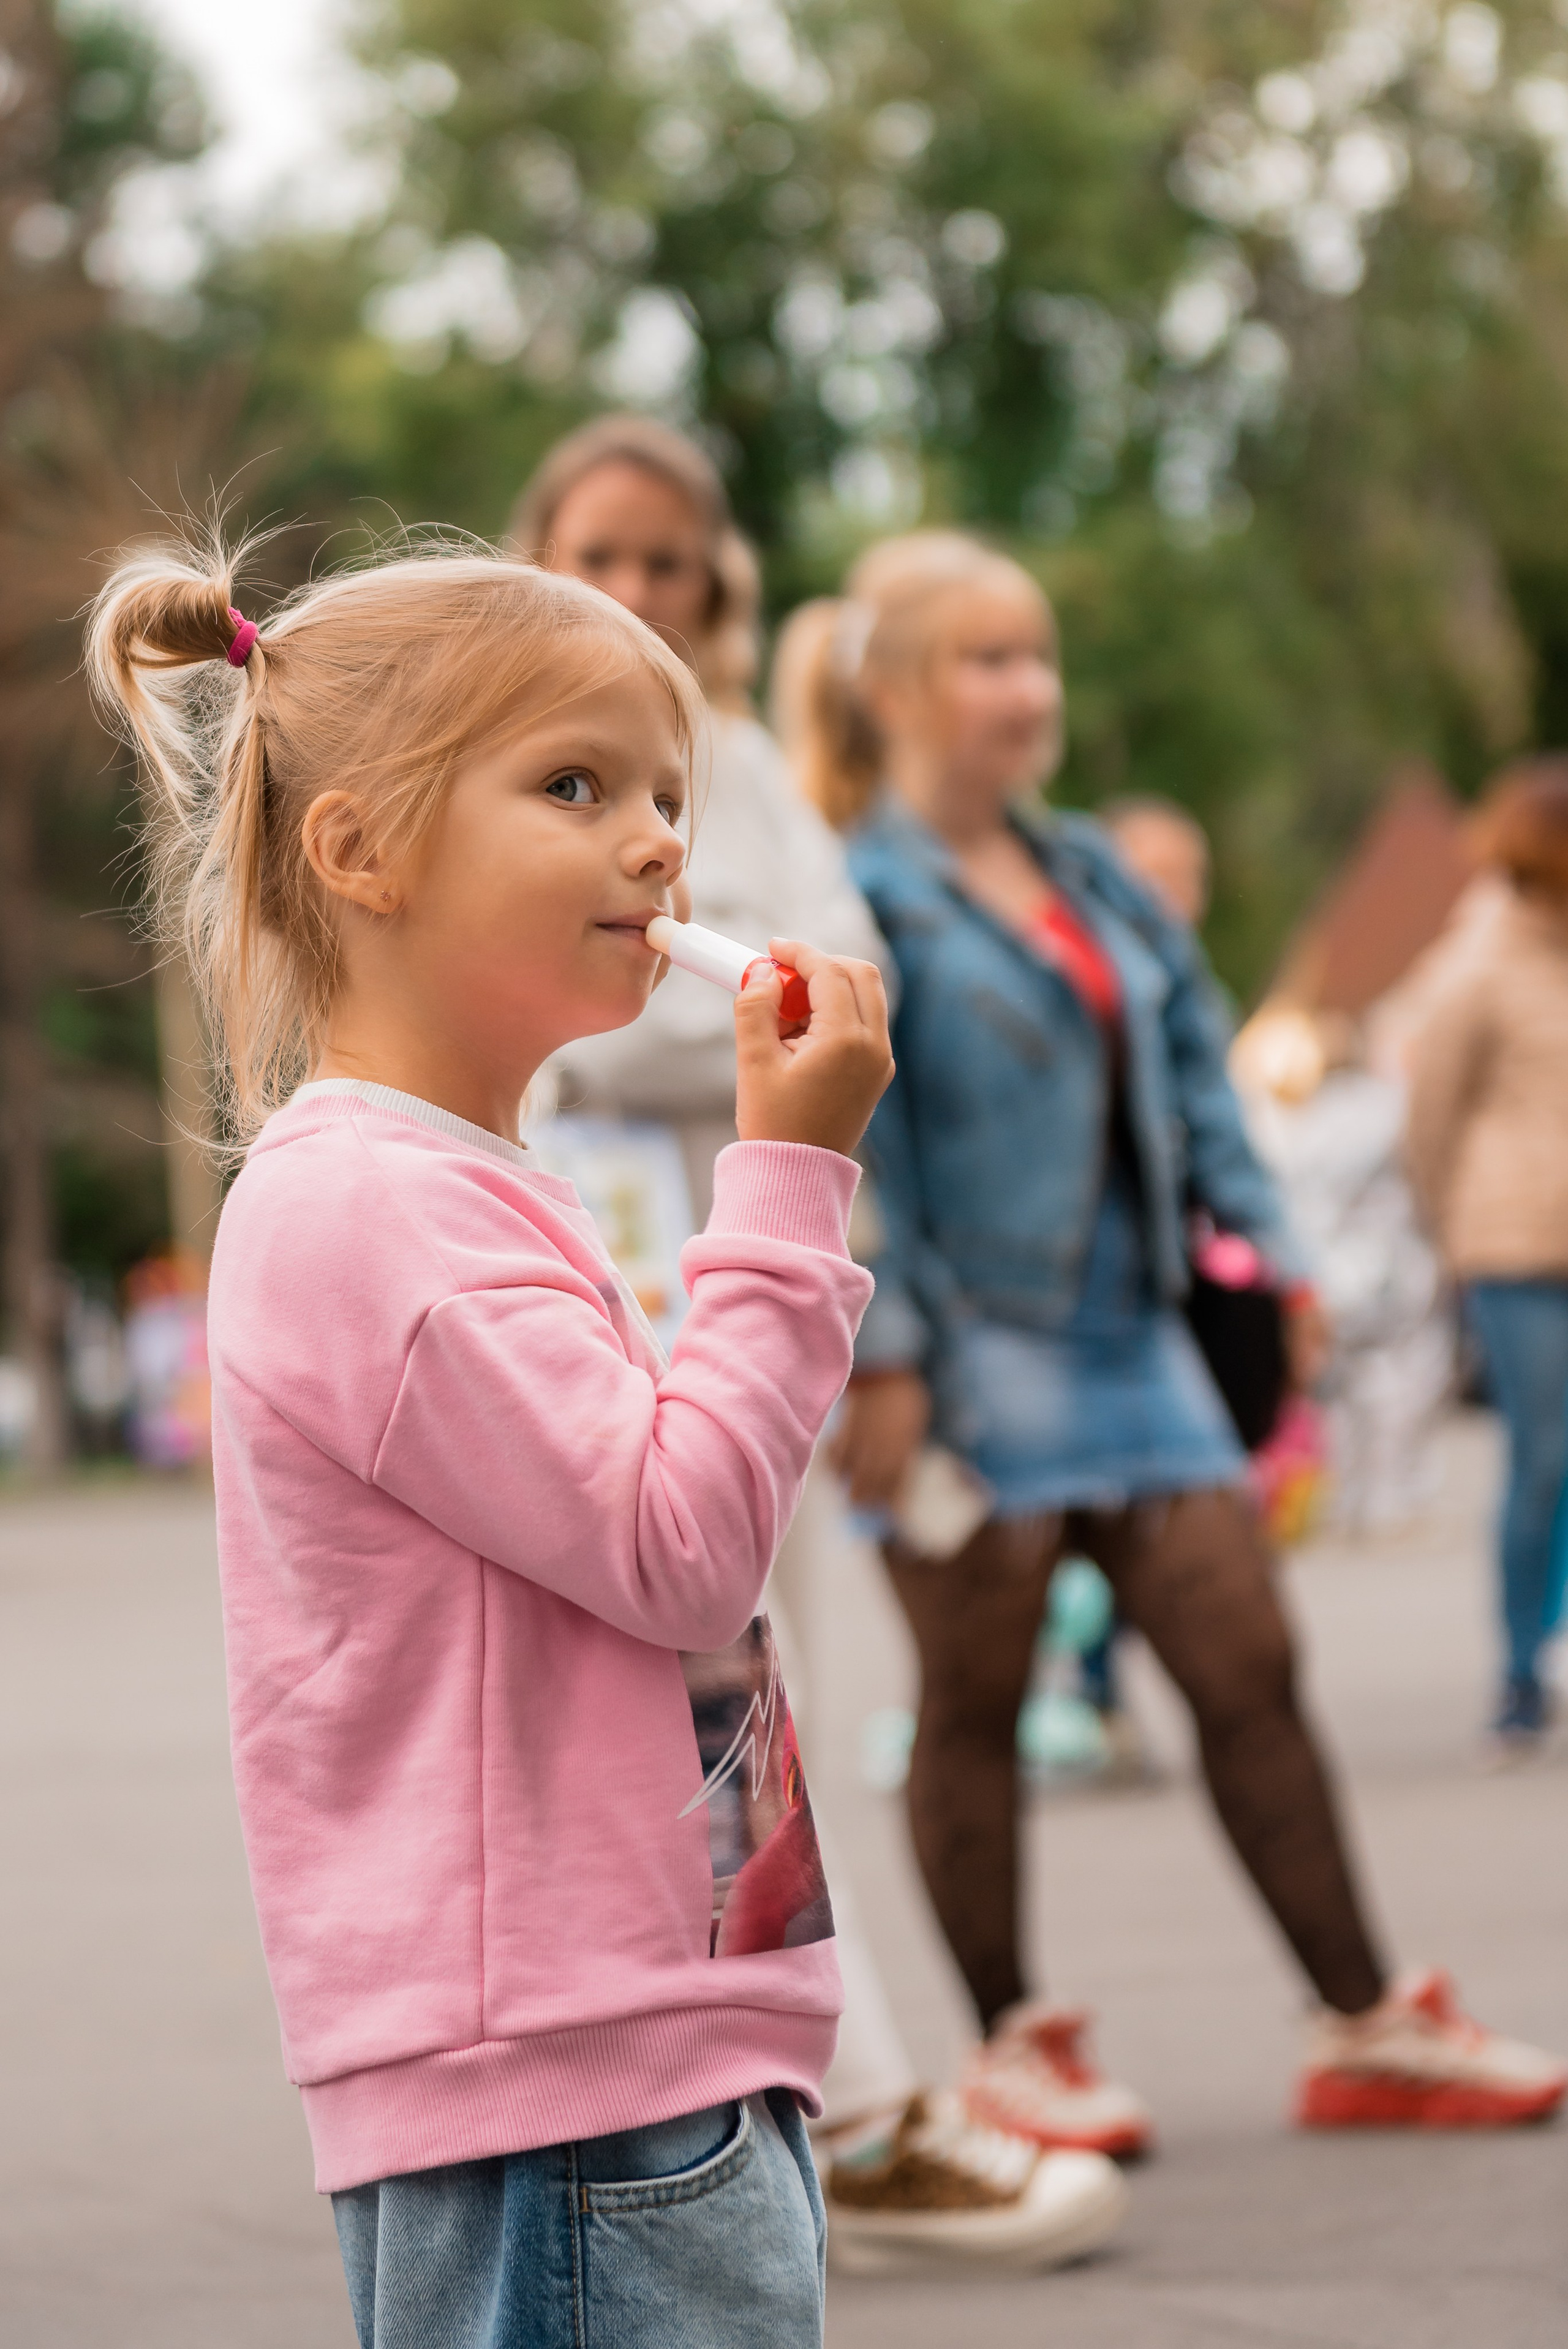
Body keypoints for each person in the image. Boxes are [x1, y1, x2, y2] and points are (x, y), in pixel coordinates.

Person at [88, 533, 899, 2347]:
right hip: (570, 2086)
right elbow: (683, 1546)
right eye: (575, 786)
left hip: (638, 2046)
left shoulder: (462, 1185)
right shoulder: (372, 1209)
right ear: (358, 850)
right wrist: (789, 1183)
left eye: (670, 794)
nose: (659, 842)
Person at [777, 529, 1567, 2149]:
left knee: (1249, 1664)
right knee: (976, 1698)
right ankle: (1011, 2046)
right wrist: (891, 1350)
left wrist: (1270, 1256)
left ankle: (1362, 2025)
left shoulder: (1089, 869)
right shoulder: (856, 888)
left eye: (1037, 655)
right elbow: (857, 1138)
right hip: (968, 1347)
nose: (1030, 688)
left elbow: (1201, 1063)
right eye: (990, 659)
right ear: (900, 690)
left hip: (1135, 1337)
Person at [514, 417, 1128, 2270]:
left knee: (749, 1684)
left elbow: (843, 983)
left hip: (752, 1254)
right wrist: (725, 1003)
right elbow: (604, 995)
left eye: (671, 560)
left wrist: (716, 1010)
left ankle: (808, 2107)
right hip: (580, 1271)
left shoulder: (746, 759)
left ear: (721, 582)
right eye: (602, 551)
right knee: (695, 1691)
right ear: (535, 553)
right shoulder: (505, 746)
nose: (637, 588)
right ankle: (837, 2111)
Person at [1405, 757, 1568, 1747]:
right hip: (1517, 1250)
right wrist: (1455, 1225)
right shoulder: (1480, 963)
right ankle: (1519, 1664)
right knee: (1542, 1456)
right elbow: (1431, 1117)